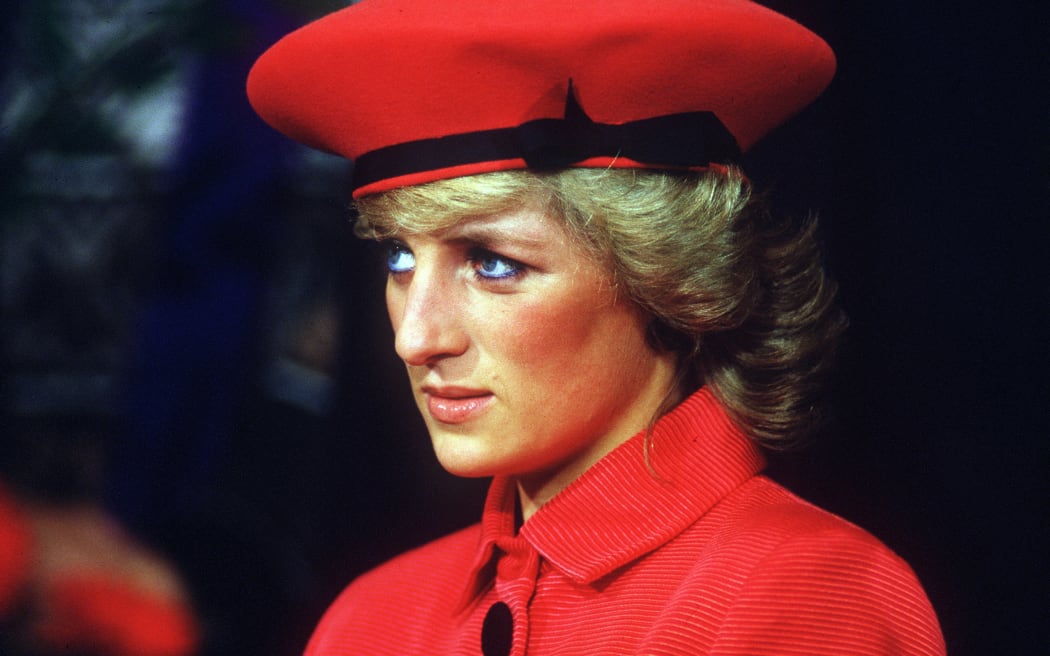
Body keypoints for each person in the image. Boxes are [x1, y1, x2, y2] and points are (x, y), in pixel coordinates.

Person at [246, 0, 946, 654]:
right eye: (399, 259)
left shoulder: (807, 594)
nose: (415, 338)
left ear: (671, 280)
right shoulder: (371, 618)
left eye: (493, 263)